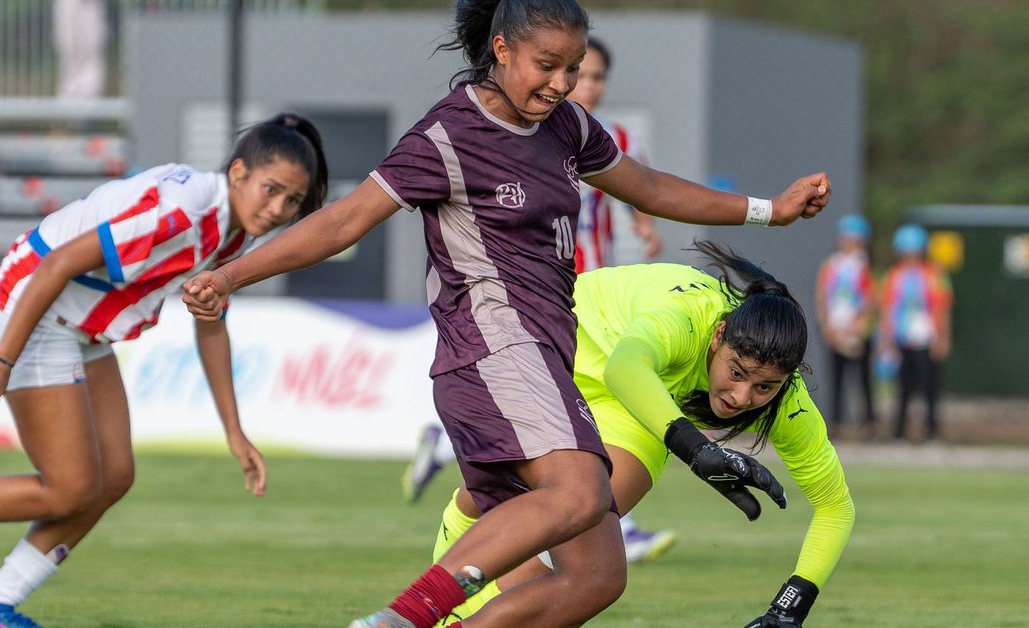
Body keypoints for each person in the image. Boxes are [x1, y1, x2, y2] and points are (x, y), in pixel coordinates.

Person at [184, 0, 830, 624]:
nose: (561, 84)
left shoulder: (568, 127)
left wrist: (768, 210)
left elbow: (652, 188)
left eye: (573, 68)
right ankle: (400, 620)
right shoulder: (447, 135)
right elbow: (342, 222)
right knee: (580, 492)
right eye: (547, 65)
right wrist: (231, 275)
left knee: (597, 576)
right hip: (492, 349)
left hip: (547, 358)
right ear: (501, 49)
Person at [0, 113, 329, 628]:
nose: (278, 209)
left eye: (292, 201)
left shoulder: (233, 232)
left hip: (79, 323)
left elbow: (210, 322)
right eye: (272, 190)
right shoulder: (183, 214)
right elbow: (57, 264)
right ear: (238, 172)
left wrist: (234, 431)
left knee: (114, 477)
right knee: (69, 489)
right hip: (33, 308)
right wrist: (1, 361)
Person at [433, 242, 855, 628]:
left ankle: (446, 609)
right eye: (736, 372)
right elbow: (624, 367)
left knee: (586, 561)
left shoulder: (789, 402)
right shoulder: (689, 316)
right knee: (531, 507)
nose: (742, 397)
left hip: (632, 394)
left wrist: (788, 610)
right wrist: (696, 450)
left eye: (764, 387)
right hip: (553, 347)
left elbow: (835, 507)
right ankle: (443, 579)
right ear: (718, 336)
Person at [401, 34, 674, 566]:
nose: (580, 84)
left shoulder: (607, 136)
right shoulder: (517, 130)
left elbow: (641, 192)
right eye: (573, 72)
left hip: (594, 284)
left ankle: (464, 471)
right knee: (578, 407)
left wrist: (646, 229)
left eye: (590, 75)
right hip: (542, 292)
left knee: (573, 407)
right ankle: (606, 519)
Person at [568, 35, 661, 268]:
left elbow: (639, 188)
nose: (589, 86)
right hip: (543, 271)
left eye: (597, 77)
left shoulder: (618, 137)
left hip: (595, 270)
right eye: (581, 75)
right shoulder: (537, 128)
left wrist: (646, 224)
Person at [881, 223, 952, 442]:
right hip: (902, 338)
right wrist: (887, 337)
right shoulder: (894, 276)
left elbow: (942, 307)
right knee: (903, 388)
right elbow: (888, 308)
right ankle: (899, 431)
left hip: (927, 337)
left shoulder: (934, 274)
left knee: (930, 386)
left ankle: (931, 431)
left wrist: (942, 337)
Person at [815, 214, 876, 438]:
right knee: (836, 378)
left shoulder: (864, 266)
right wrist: (827, 327)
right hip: (835, 329)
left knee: (863, 379)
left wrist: (859, 326)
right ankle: (836, 422)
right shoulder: (831, 265)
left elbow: (870, 299)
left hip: (858, 331)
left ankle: (868, 423)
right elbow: (822, 297)